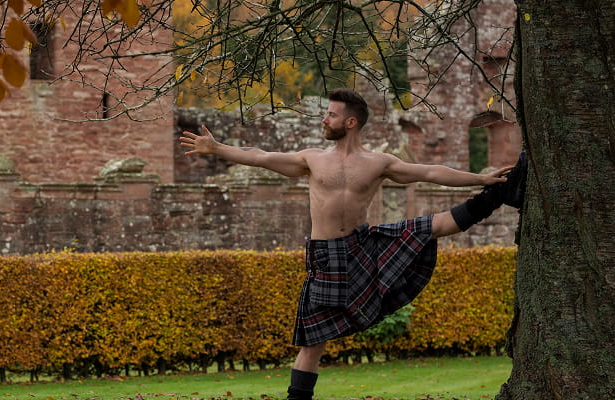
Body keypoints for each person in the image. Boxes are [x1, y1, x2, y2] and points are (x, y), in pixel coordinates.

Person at [179, 88, 526, 400]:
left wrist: (480, 178)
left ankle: (500, 192)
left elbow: (431, 172)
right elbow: (260, 156)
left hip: (362, 247)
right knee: (312, 343)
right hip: (325, 257)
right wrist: (217, 147)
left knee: (429, 227)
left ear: (349, 122)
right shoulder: (312, 159)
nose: (324, 119)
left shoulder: (378, 163)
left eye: (330, 114)